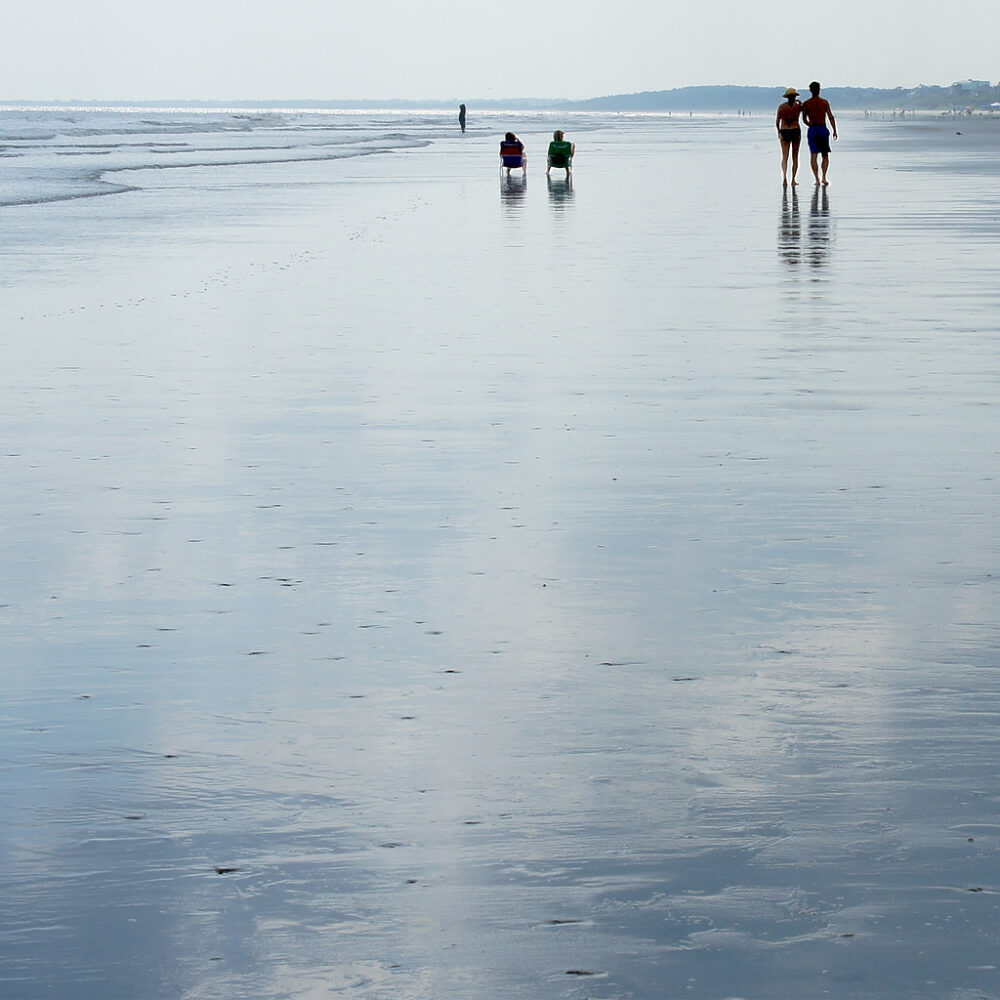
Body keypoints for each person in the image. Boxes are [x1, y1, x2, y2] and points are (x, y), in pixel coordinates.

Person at [801, 81, 838, 186]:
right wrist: (834, 130)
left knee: (814, 155)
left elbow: (804, 119)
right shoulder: (824, 102)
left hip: (813, 129)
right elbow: (830, 117)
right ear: (819, 90)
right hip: (822, 128)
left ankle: (817, 179)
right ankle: (823, 177)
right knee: (825, 155)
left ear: (810, 90)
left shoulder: (807, 103)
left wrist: (810, 124)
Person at [775, 87, 802, 187]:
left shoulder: (782, 107)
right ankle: (793, 180)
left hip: (785, 130)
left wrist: (779, 132)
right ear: (795, 97)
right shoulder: (798, 107)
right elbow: (804, 110)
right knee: (795, 157)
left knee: (785, 156)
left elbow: (777, 122)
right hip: (795, 130)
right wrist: (800, 103)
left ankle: (784, 177)